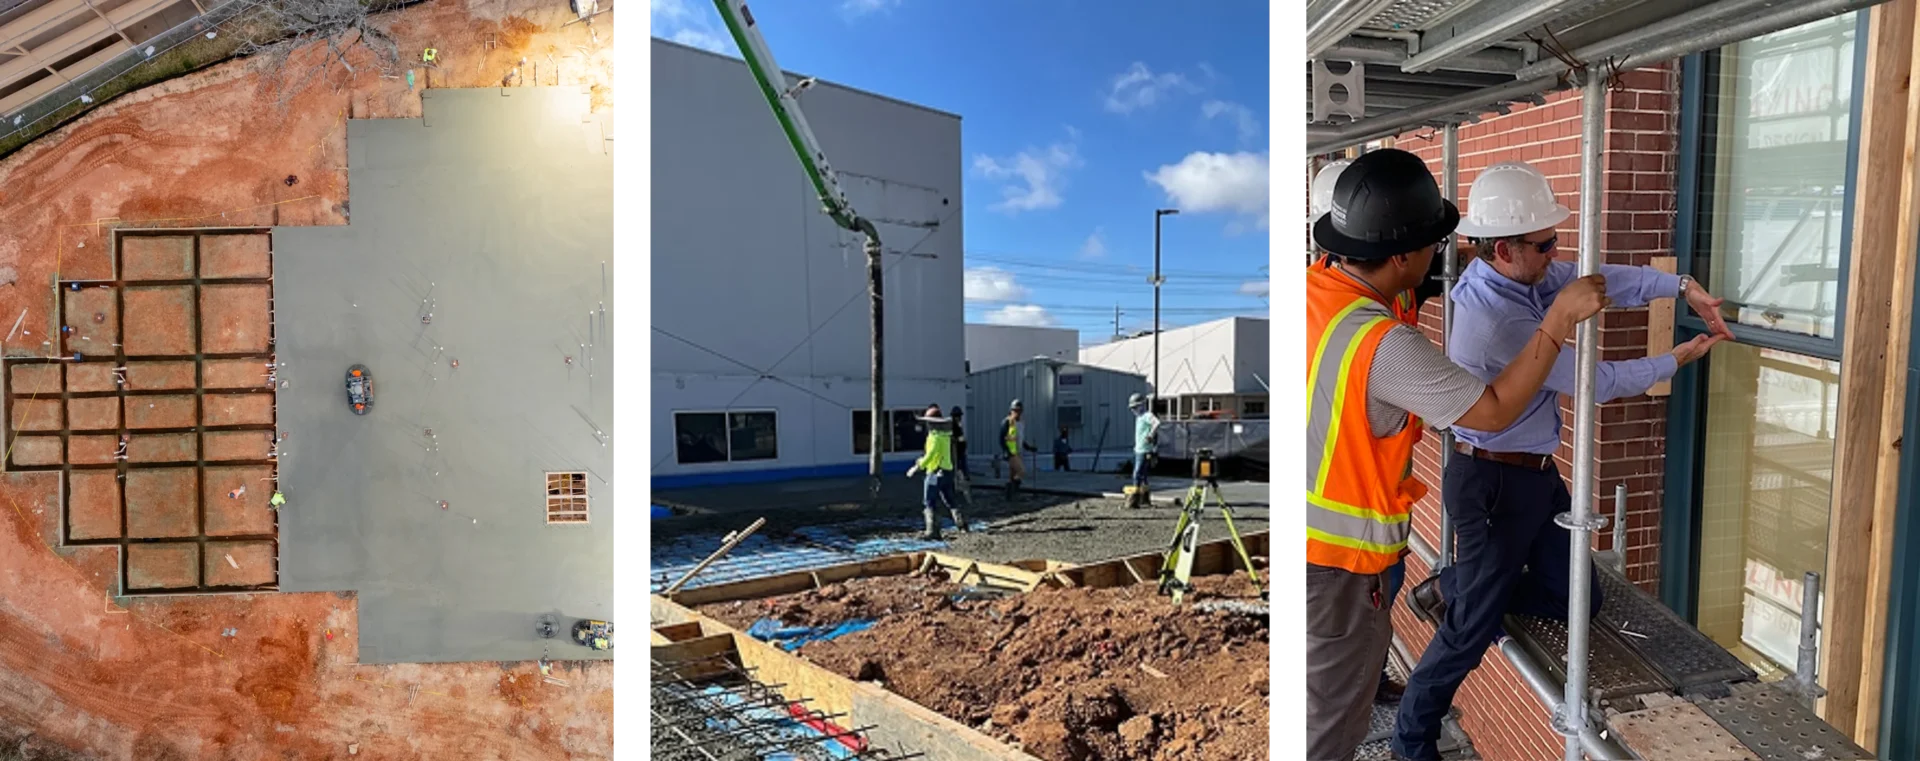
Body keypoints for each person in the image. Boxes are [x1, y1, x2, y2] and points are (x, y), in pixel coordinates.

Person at [1390, 161, 1734, 761]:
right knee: (1468, 633)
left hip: (1534, 476)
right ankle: (1410, 744)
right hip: (1492, 482)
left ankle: (1456, 584)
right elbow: (1592, 379)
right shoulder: (1493, 316)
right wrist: (1675, 361)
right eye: (1545, 243)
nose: (1556, 253)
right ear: (1504, 248)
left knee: (1578, 599)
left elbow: (1600, 285)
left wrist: (1682, 288)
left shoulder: (1527, 278)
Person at [1302, 148, 1612, 761]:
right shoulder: (1378, 342)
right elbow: (1493, 408)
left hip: (1340, 549)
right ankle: (1414, 735)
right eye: (1434, 244)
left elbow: (1455, 275)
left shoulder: (1321, 293)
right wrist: (1555, 323)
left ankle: (1455, 589)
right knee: (1329, 726)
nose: (1446, 254)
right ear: (1402, 257)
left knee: (1346, 688)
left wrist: (1506, 250)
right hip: (1337, 562)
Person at [1311, 158, 1421, 704]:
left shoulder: (1323, 293)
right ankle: (1368, 676)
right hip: (1348, 541)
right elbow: (1489, 409)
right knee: (1333, 702)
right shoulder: (1361, 325)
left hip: (1363, 514)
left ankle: (1369, 672)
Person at [907, 403, 970, 539]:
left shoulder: (934, 437)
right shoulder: (946, 436)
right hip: (947, 471)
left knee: (929, 501)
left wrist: (918, 466)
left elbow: (931, 455)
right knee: (950, 499)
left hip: (935, 472)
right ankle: (962, 524)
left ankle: (932, 531)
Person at [997, 400, 1038, 499]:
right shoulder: (1007, 422)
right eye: (1015, 410)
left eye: (1019, 411)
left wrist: (1028, 447)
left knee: (1013, 474)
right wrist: (1006, 451)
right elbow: (1001, 439)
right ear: (1011, 410)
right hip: (1011, 452)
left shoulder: (1021, 423)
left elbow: (1020, 438)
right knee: (1021, 471)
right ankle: (1010, 488)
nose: (1017, 413)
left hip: (1018, 451)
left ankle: (1011, 495)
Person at [1126, 393, 1160, 509]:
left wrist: (1151, 435)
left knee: (1137, 473)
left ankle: (1134, 499)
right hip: (1139, 449)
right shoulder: (1139, 417)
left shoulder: (1146, 415)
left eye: (1135, 407)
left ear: (1141, 405)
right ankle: (1145, 499)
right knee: (1144, 475)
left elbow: (1156, 423)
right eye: (1132, 408)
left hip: (1144, 450)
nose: (1133, 410)